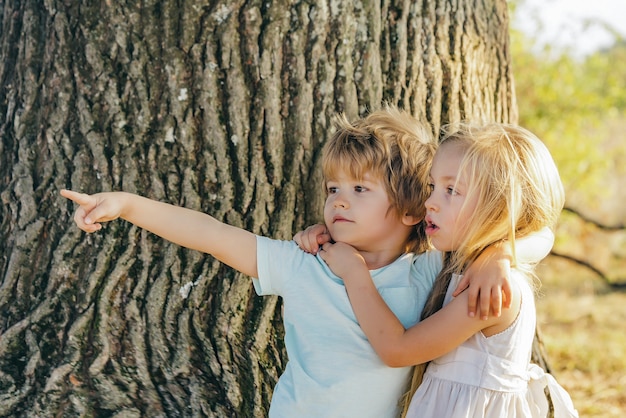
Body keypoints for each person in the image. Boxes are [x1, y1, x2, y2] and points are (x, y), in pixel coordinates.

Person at [62, 106, 525, 418]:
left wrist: (498, 256)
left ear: (412, 211)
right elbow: (212, 235)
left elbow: (528, 227)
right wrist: (127, 205)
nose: (339, 201)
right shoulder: (307, 263)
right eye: (333, 190)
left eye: (360, 190)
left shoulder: (428, 270)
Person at [298, 122, 579, 417]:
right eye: (432, 187)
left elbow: (398, 350)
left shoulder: (492, 293)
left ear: (499, 206)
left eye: (451, 190)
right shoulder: (458, 264)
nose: (429, 202)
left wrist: (354, 272)